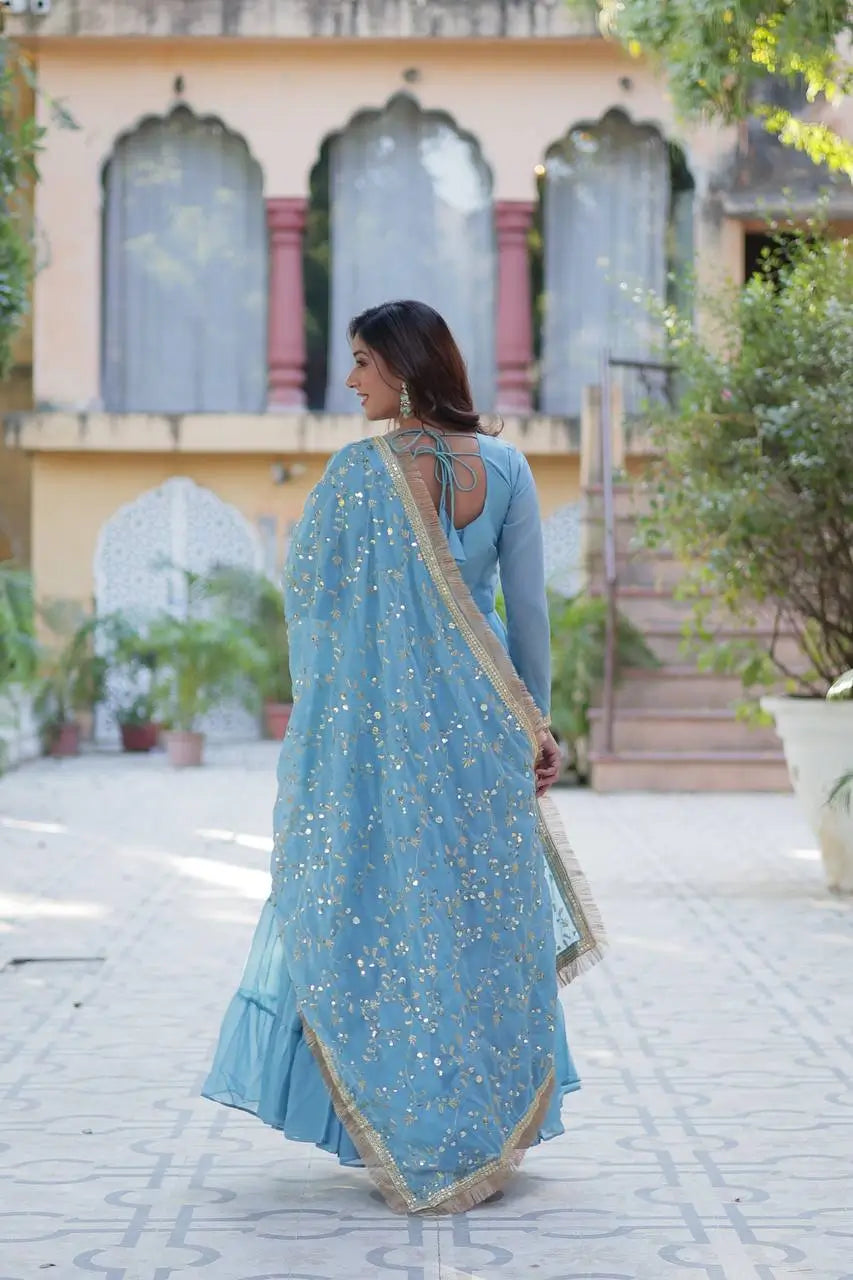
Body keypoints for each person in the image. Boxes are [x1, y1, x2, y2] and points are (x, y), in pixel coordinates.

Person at [202, 300, 605, 1215]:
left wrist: (332, 723)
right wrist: (536, 724)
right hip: (482, 733)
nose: (350, 380)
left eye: (361, 361)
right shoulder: (505, 467)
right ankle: (478, 1128)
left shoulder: (357, 477)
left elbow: (318, 614)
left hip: (382, 746)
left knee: (385, 919)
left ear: (404, 365)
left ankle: (409, 1126)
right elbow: (526, 614)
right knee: (479, 927)